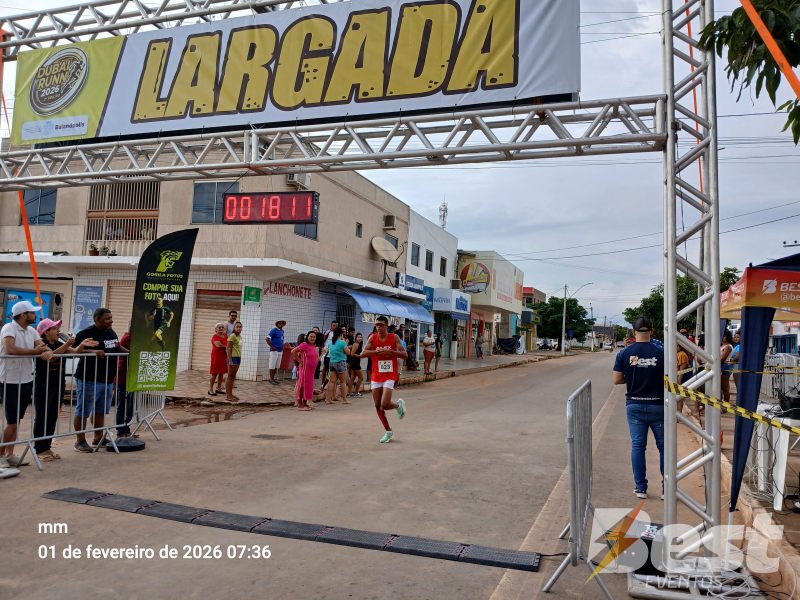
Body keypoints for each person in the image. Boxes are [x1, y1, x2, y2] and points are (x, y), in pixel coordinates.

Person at [612, 316, 664, 500]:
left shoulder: (624, 353)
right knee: (664, 447)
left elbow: (616, 379)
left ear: (634, 332)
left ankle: (640, 487)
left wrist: (634, 378)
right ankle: (666, 489)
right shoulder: (662, 352)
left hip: (635, 405)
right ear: (652, 331)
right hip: (659, 405)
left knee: (638, 447)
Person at [0, 301, 53, 469]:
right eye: (32, 312)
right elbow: (10, 349)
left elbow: (41, 346)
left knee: (16, 420)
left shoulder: (32, 330)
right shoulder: (9, 328)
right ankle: (1, 455)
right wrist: (36, 352)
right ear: (23, 315)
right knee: (12, 421)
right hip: (10, 381)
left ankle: (9, 454)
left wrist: (47, 351)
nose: (35, 315)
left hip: (26, 380)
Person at [73, 308, 123, 453]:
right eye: (107, 318)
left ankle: (98, 438)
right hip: (89, 378)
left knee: (100, 410)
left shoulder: (111, 332)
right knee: (83, 411)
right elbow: (73, 350)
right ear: (96, 319)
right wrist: (93, 352)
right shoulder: (86, 333)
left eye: (111, 318)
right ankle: (80, 441)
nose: (111, 321)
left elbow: (117, 347)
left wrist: (132, 354)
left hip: (107, 379)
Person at [35, 319, 85, 461]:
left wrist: (82, 344)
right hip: (44, 385)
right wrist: (67, 344)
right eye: (54, 328)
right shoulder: (40, 345)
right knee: (42, 417)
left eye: (58, 328)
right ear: (46, 332)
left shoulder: (59, 343)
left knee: (52, 416)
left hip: (58, 384)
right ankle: (39, 449)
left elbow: (75, 352)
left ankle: (47, 447)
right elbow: (51, 356)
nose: (58, 330)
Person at [361, 316, 407, 444]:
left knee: (385, 404)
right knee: (378, 406)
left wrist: (391, 352)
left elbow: (405, 355)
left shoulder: (394, 337)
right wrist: (377, 352)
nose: (379, 327)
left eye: (381, 325)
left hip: (389, 374)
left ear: (386, 326)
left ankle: (398, 405)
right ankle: (388, 431)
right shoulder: (372, 338)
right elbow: (363, 354)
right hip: (376, 375)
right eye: (377, 325)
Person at [291, 331, 320, 411]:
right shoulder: (304, 345)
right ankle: (300, 404)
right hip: (304, 370)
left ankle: (305, 403)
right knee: (302, 386)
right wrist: (300, 361)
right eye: (311, 336)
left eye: (314, 337)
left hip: (311, 371)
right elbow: (293, 351)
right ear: (307, 337)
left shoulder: (313, 346)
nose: (312, 338)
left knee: (308, 386)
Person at [115, 328, 134, 438]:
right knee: (123, 405)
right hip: (123, 377)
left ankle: (126, 429)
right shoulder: (128, 337)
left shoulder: (132, 337)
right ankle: (121, 430)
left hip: (130, 376)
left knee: (130, 405)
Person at [326, 330, 351, 405]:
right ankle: (344, 399)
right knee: (343, 382)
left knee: (331, 381)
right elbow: (348, 352)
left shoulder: (330, 343)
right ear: (341, 334)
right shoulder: (342, 342)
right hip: (340, 362)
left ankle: (328, 399)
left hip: (332, 362)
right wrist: (345, 343)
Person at [226, 321, 243, 401]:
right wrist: (230, 360)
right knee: (230, 377)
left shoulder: (239, 336)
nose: (239, 328)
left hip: (238, 357)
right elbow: (228, 348)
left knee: (233, 377)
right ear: (234, 328)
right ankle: (228, 396)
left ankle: (231, 394)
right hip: (232, 358)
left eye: (240, 327)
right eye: (237, 327)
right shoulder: (232, 336)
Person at [208, 323, 227, 396]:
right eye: (219, 327)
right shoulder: (215, 336)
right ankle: (210, 389)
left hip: (223, 356)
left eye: (222, 327)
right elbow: (218, 345)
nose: (221, 328)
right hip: (216, 356)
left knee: (221, 373)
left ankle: (218, 388)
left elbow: (229, 343)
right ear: (216, 329)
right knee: (214, 373)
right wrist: (227, 347)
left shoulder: (225, 336)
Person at [266, 320, 286, 385]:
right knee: (272, 365)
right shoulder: (274, 330)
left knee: (276, 366)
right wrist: (272, 347)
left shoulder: (282, 331)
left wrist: (282, 346)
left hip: (280, 351)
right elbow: (267, 339)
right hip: (274, 351)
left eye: (282, 323)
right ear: (277, 324)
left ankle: (273, 378)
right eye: (279, 323)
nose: (281, 324)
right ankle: (270, 379)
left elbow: (281, 339)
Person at [320, 320, 338, 389]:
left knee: (331, 369)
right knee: (325, 368)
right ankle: (322, 383)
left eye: (336, 326)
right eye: (333, 325)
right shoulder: (327, 332)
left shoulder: (337, 333)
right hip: (326, 352)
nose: (335, 327)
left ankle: (328, 383)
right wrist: (323, 348)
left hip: (333, 353)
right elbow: (323, 340)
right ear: (331, 325)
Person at [347, 333, 364, 397]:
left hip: (353, 362)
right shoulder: (356, 344)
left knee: (352, 377)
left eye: (360, 337)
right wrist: (360, 356)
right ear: (355, 338)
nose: (359, 338)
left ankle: (349, 393)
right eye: (358, 337)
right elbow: (352, 354)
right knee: (361, 377)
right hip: (355, 363)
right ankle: (356, 392)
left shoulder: (358, 344)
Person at [720, 330, 734, 405]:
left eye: (724, 336)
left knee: (725, 388)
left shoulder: (728, 346)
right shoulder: (722, 345)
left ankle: (725, 406)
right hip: (720, 366)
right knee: (719, 388)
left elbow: (723, 359)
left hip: (724, 366)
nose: (723, 337)